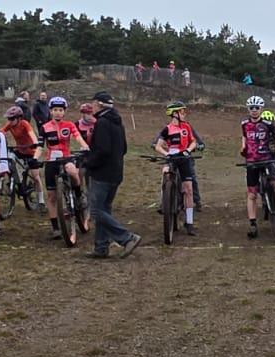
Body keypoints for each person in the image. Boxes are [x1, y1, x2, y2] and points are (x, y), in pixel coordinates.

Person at [83, 92, 143, 259]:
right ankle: (101, 247)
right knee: (104, 209)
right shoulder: (117, 122)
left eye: (93, 103)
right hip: (116, 173)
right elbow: (123, 148)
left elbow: (102, 150)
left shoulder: (102, 123)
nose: (91, 107)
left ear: (100, 105)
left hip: (102, 174)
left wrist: (88, 162)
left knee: (96, 211)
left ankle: (127, 238)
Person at [239, 98, 275, 238]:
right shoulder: (244, 124)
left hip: (268, 159)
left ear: (261, 109)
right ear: (248, 109)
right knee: (251, 194)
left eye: (257, 107)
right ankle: (252, 223)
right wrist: (243, 147)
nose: (254, 110)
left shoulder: (268, 123)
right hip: (252, 161)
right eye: (251, 107)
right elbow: (244, 137)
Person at [39, 97, 90, 239]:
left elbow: (78, 137)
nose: (58, 113)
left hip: (66, 158)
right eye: (55, 110)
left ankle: (79, 196)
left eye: (60, 110)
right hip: (51, 161)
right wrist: (35, 158)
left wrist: (84, 146)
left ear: (64, 112)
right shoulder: (44, 127)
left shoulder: (69, 125)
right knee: (51, 196)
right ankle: (55, 227)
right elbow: (39, 145)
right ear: (50, 111)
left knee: (73, 171)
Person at [154, 101, 200, 235]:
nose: (184, 114)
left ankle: (189, 222)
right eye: (181, 112)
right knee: (165, 173)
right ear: (175, 114)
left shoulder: (187, 126)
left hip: (184, 159)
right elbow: (158, 146)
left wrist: (188, 151)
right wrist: (166, 153)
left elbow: (193, 142)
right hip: (172, 158)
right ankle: (164, 202)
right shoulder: (167, 129)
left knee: (189, 189)